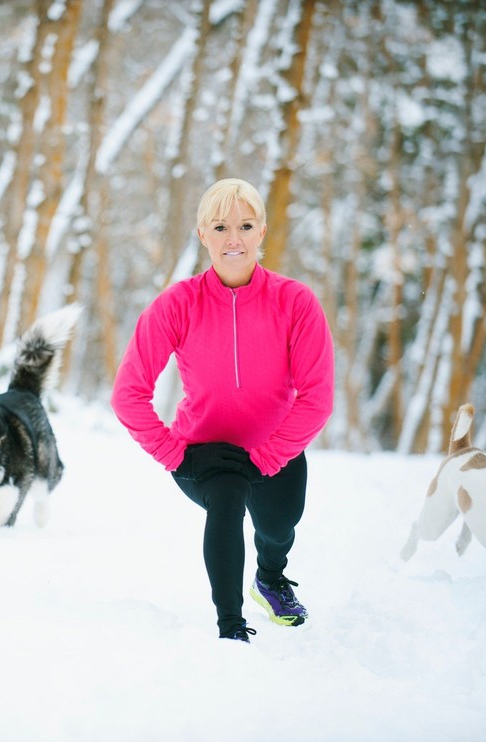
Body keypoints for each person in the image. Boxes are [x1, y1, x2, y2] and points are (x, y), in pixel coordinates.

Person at [110, 178, 334, 642]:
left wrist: (269, 458)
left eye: (245, 226)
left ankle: (271, 578)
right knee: (227, 501)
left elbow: (318, 397)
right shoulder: (177, 304)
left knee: (279, 527)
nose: (234, 239)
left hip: (276, 451)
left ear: (261, 232)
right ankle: (231, 626)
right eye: (220, 226)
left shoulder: (295, 302)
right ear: (202, 234)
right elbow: (128, 394)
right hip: (203, 454)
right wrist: (176, 454)